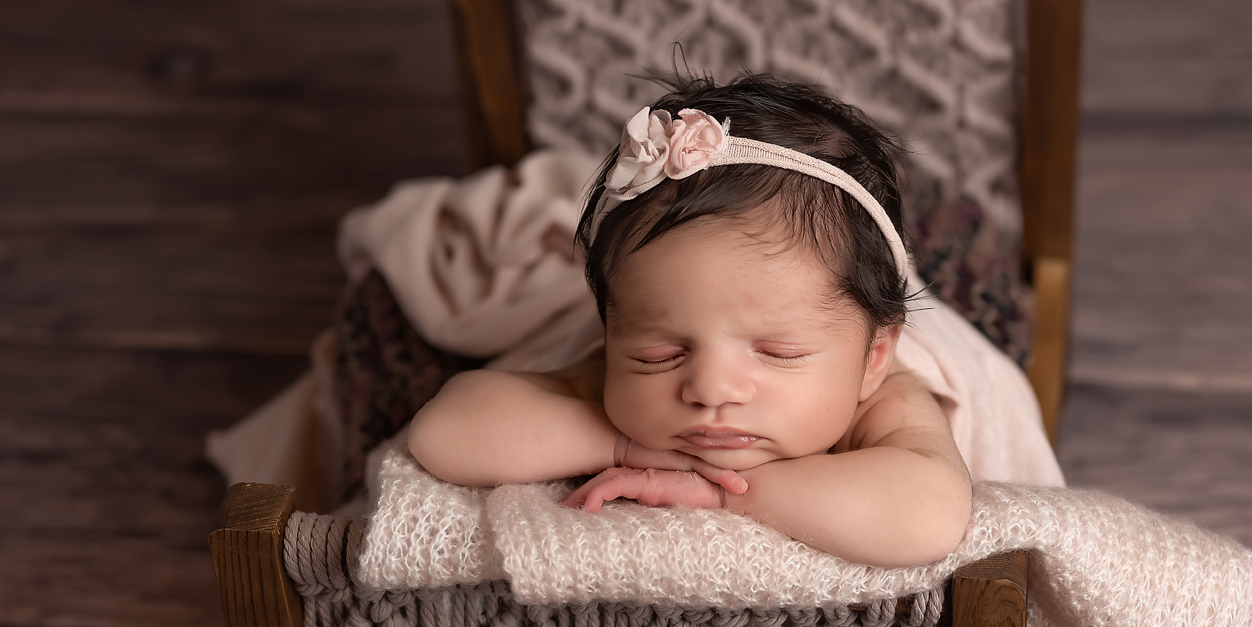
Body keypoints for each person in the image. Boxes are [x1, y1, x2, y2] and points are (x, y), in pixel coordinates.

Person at [407, 72, 974, 569]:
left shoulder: (884, 394)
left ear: (872, 359)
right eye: (662, 355)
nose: (709, 388)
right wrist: (625, 445)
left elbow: (929, 514)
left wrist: (718, 491)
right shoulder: (625, 376)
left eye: (777, 353)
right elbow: (444, 435)